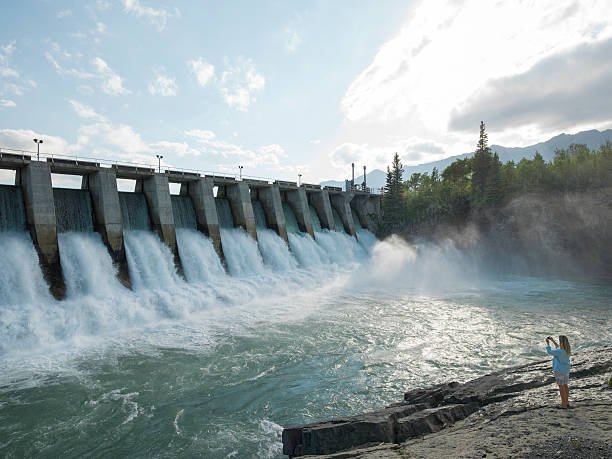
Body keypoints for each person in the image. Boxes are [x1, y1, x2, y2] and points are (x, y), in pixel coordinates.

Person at [545, 335, 572, 408]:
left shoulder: (559, 351)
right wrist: (552, 341)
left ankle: (563, 404)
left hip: (559, 370)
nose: (559, 343)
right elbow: (558, 348)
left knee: (561, 387)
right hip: (566, 370)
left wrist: (547, 344)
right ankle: (567, 402)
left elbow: (549, 352)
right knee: (565, 385)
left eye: (560, 341)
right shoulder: (567, 350)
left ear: (562, 343)